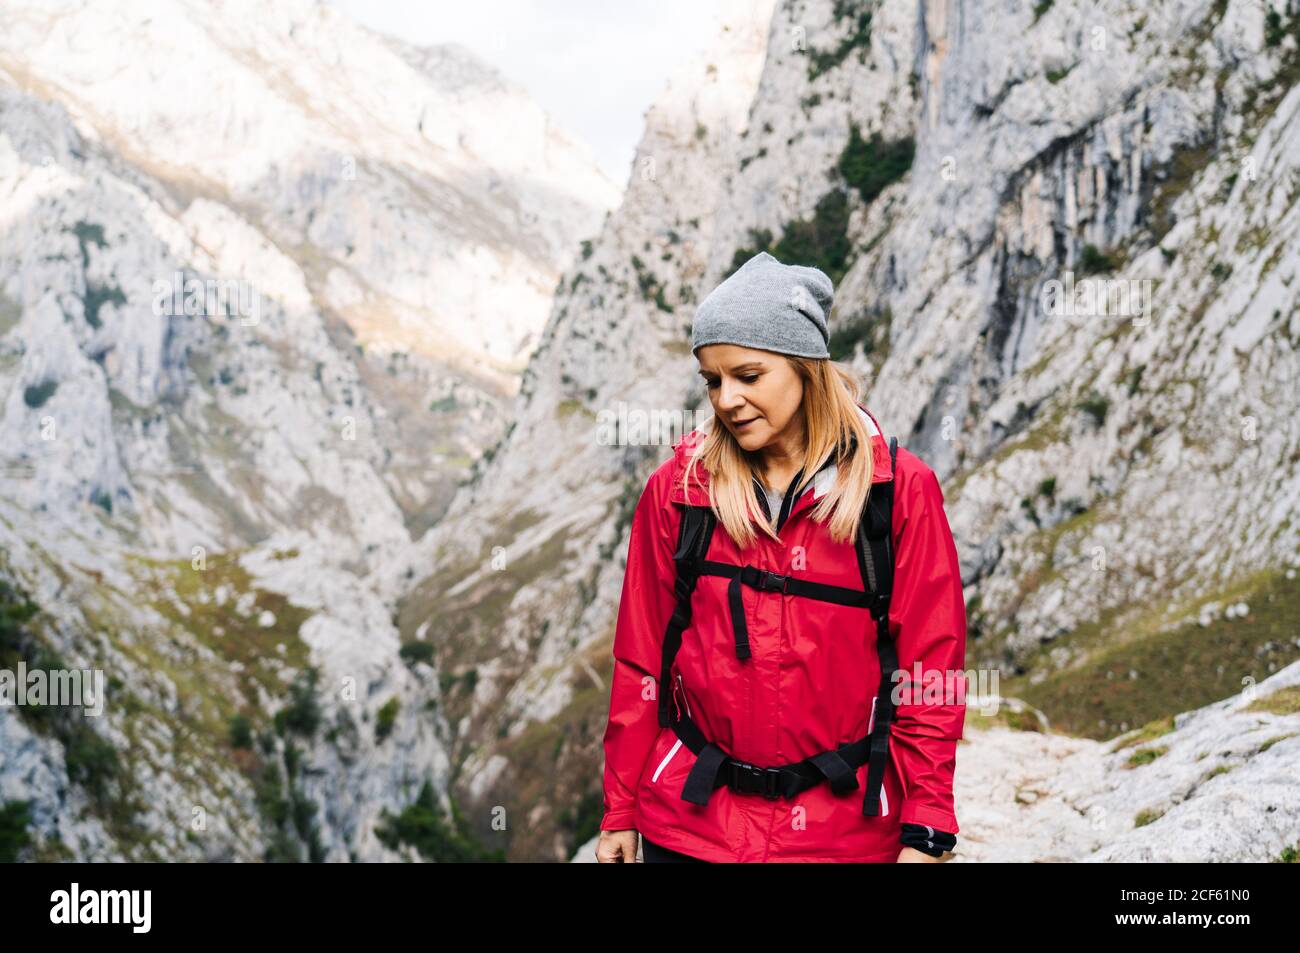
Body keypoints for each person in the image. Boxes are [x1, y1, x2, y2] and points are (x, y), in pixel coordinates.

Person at [594, 251, 966, 863]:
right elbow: (641, 663)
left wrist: (927, 825)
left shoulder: (896, 493)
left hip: (839, 838)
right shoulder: (679, 492)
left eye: (747, 375)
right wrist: (621, 808)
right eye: (712, 381)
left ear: (804, 366)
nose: (727, 399)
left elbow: (931, 668)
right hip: (689, 829)